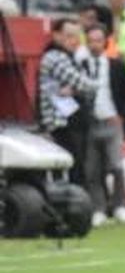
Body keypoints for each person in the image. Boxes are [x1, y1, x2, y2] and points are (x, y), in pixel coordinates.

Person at [75, 24, 125, 226]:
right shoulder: (79, 65)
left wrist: (121, 115)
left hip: (111, 121)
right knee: (92, 168)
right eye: (91, 41)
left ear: (105, 42)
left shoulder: (116, 65)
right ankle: (98, 208)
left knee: (117, 166)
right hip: (90, 124)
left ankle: (119, 205)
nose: (94, 45)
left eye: (98, 40)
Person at [37, 18, 96, 185]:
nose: (74, 41)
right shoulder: (55, 57)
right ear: (55, 35)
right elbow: (87, 84)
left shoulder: (70, 57)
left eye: (77, 36)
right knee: (73, 167)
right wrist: (80, 87)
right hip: (62, 122)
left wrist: (75, 88)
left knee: (75, 166)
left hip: (71, 120)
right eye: (69, 35)